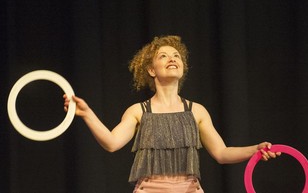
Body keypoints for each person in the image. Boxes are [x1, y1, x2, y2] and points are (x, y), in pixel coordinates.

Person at [63, 35, 280, 193]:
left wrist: (256, 149)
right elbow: (111, 143)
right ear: (151, 70)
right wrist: (87, 114)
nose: (172, 58)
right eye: (163, 56)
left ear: (183, 67)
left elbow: (222, 153)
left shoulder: (196, 111)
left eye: (176, 55)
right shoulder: (139, 111)